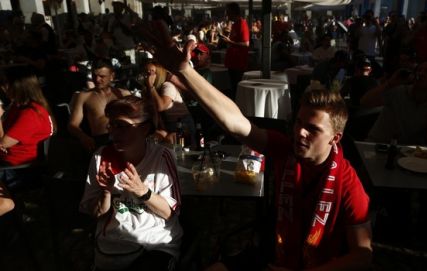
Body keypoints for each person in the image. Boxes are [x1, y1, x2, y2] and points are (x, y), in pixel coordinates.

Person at [140, 19, 372, 270]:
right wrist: (186, 72)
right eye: (298, 122)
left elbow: (362, 254)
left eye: (313, 129)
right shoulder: (286, 148)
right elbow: (236, 123)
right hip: (275, 254)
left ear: (334, 138)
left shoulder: (349, 183)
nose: (300, 132)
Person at [79, 96, 182, 271]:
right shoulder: (101, 157)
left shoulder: (161, 157)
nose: (113, 133)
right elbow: (96, 213)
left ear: (145, 128)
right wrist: (106, 192)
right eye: (111, 125)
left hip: (155, 244)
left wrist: (142, 190)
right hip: (113, 247)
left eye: (122, 126)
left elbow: (170, 213)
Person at [361, 60, 427, 145]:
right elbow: (365, 102)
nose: (421, 73)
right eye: (419, 70)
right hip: (376, 145)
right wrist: (390, 83)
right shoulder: (398, 91)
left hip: (405, 153)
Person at [0, 66, 55, 182]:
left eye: (6, 83)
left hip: (16, 169)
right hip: (8, 160)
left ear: (18, 86)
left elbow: (3, 143)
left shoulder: (31, 114)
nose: (3, 87)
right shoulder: (19, 105)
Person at [68, 58, 131, 153]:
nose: (97, 79)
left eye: (102, 76)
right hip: (100, 142)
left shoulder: (124, 94)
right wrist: (84, 137)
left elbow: (137, 118)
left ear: (112, 76)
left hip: (123, 137)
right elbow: (72, 125)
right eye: (94, 75)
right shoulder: (84, 96)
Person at [142, 62, 196, 147]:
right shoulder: (149, 91)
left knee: (170, 141)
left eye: (152, 72)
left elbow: (161, 106)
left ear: (159, 74)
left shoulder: (167, 86)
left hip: (182, 125)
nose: (148, 75)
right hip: (167, 125)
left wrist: (151, 86)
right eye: (147, 72)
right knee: (151, 138)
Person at [220, 2, 250, 99]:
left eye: (228, 12)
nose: (226, 14)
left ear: (233, 12)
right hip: (233, 62)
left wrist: (230, 42)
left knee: (237, 90)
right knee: (233, 88)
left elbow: (246, 44)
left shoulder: (242, 23)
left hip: (238, 63)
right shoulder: (235, 24)